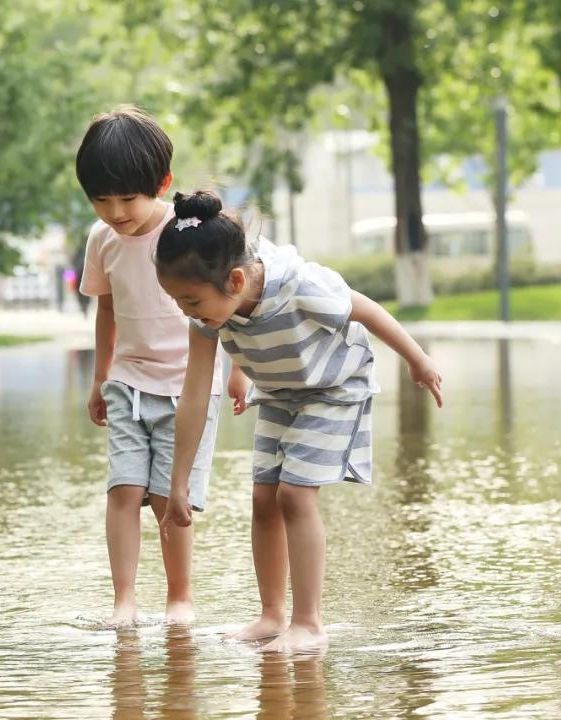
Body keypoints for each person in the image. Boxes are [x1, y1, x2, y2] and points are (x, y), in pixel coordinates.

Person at [155, 190, 442, 652]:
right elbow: (192, 396)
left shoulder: (300, 285)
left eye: (191, 301)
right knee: (263, 498)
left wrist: (418, 359)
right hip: (281, 392)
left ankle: (309, 623)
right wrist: (178, 483)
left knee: (293, 495)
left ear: (233, 279)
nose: (187, 313)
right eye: (178, 303)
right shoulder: (212, 310)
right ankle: (272, 616)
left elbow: (363, 308)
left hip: (335, 388)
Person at [77, 107, 249, 627]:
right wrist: (100, 377)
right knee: (123, 490)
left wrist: (239, 368)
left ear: (162, 184)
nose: (115, 211)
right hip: (127, 383)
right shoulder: (101, 240)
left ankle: (179, 597)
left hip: (186, 388)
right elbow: (106, 309)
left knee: (164, 499)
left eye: (127, 198)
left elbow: (229, 300)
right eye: (101, 200)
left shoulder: (183, 236)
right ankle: (124, 600)